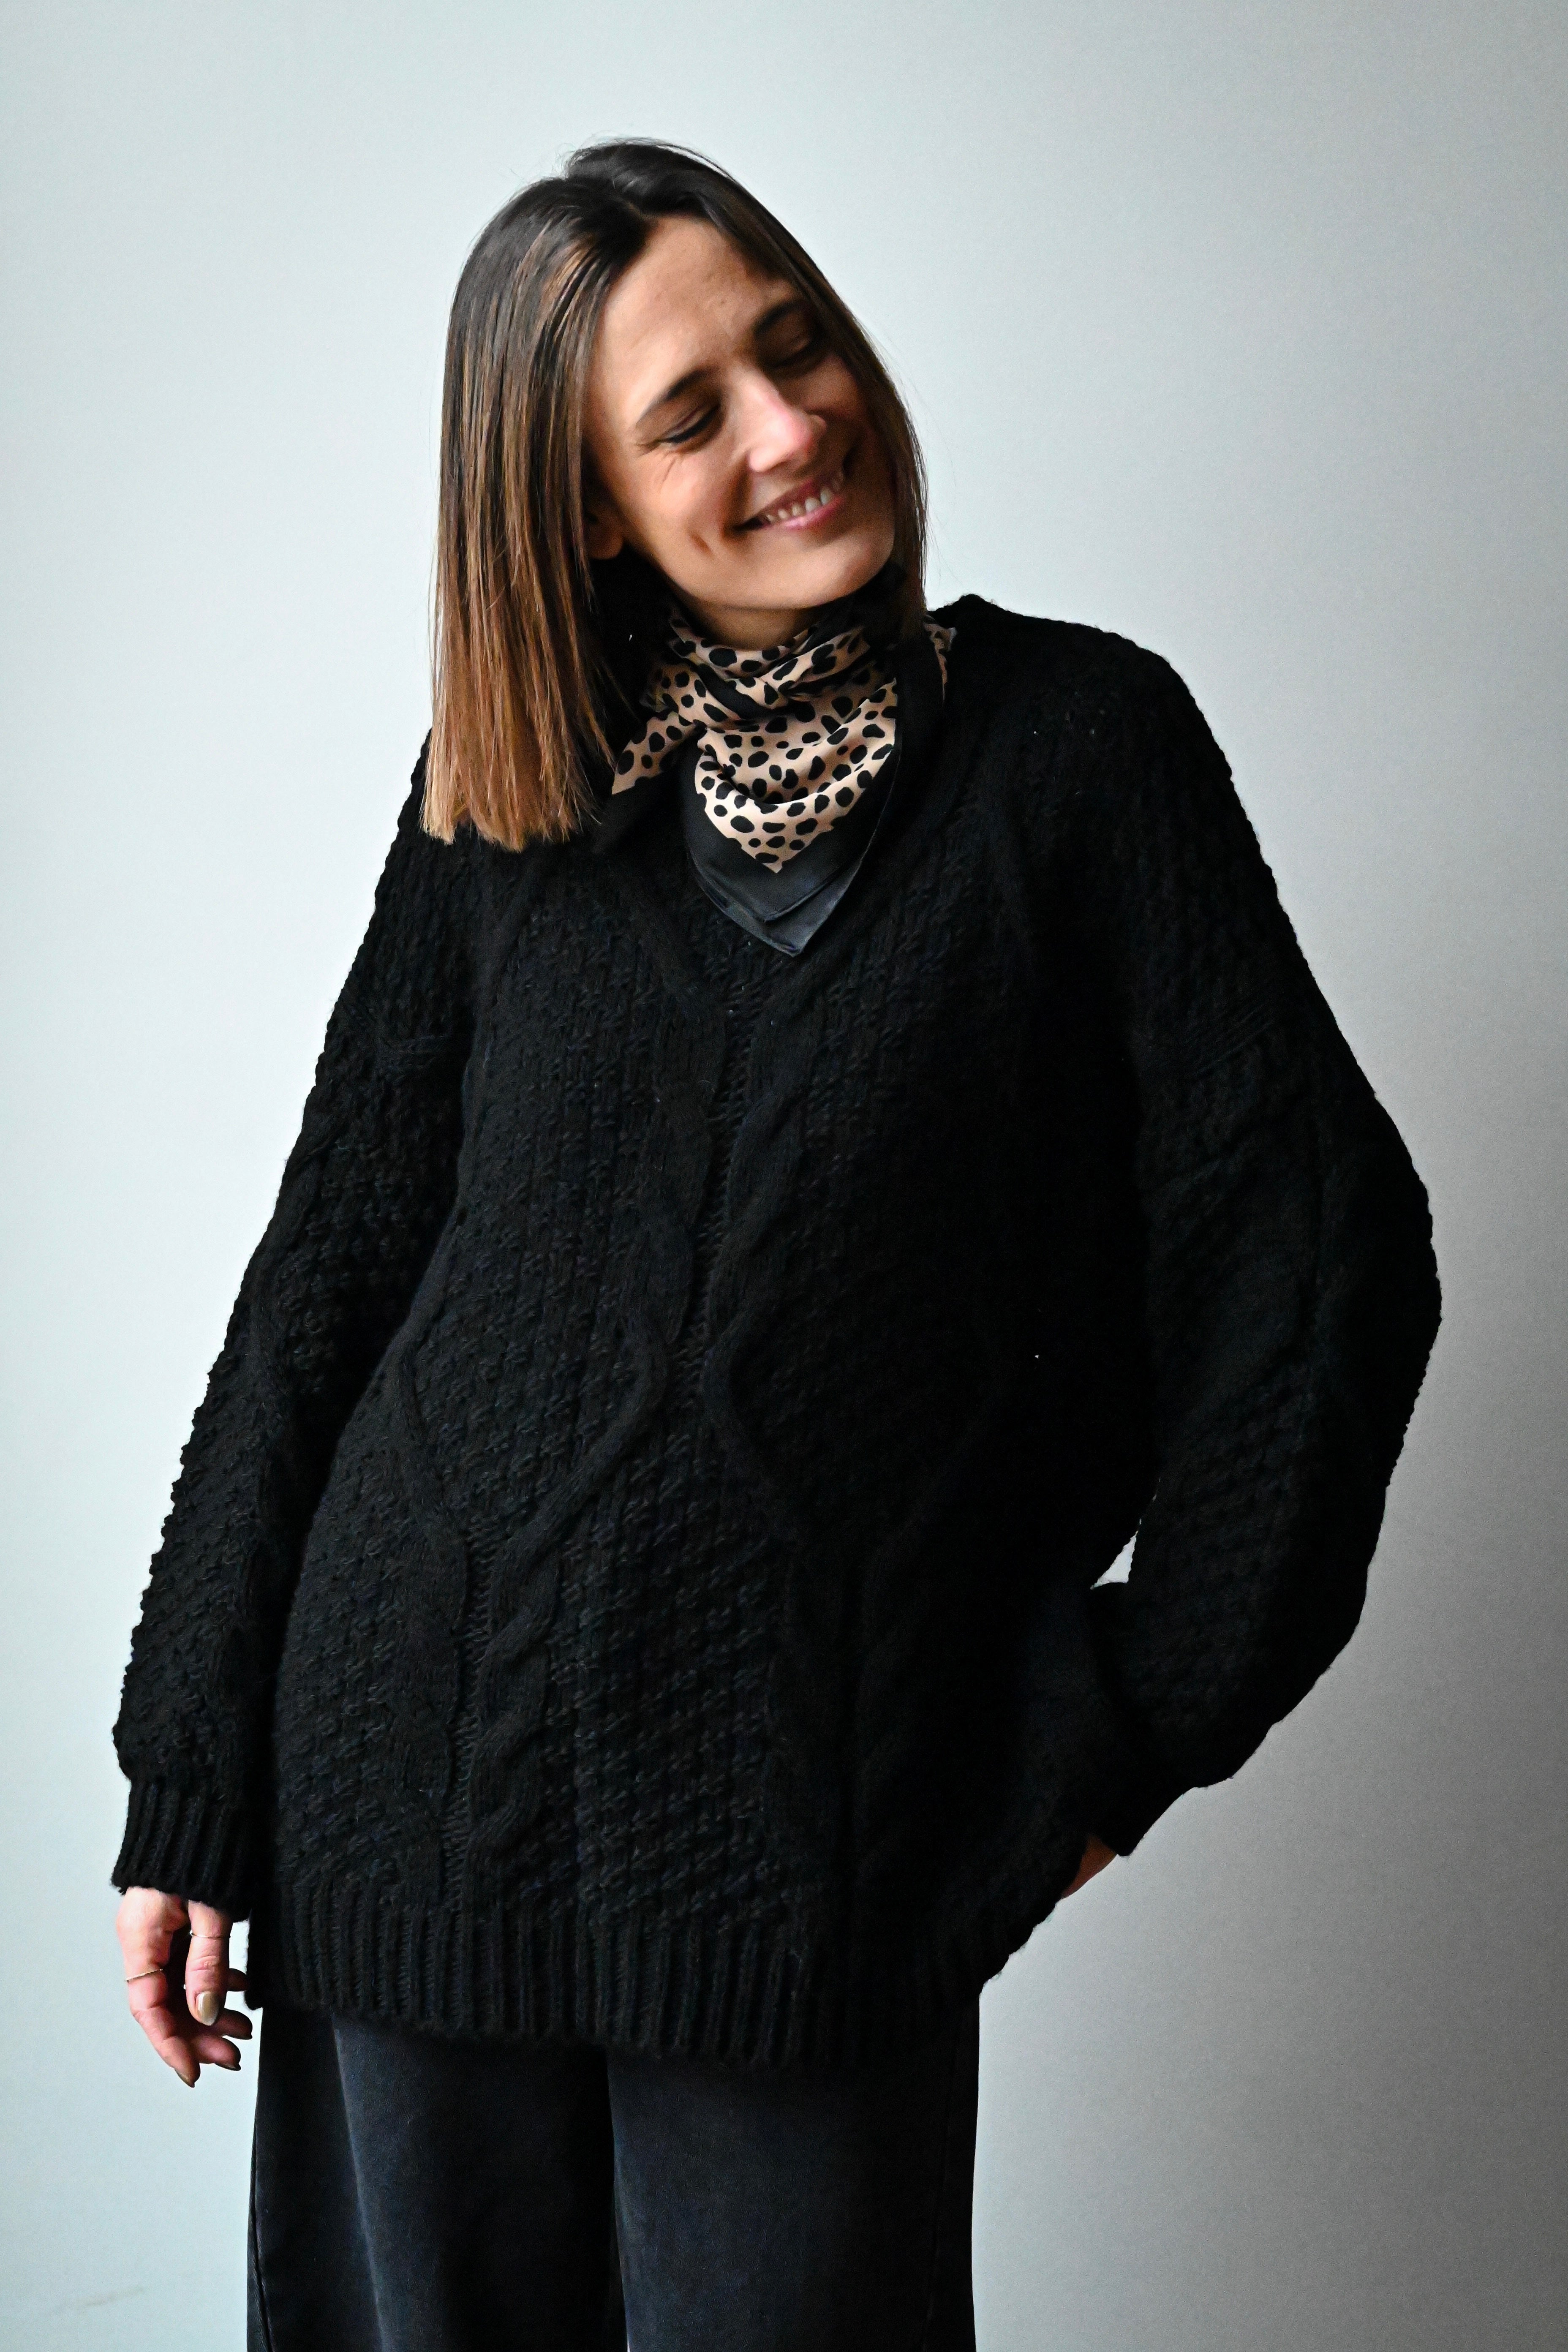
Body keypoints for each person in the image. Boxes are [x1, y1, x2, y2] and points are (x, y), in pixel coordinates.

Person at [111, 141, 1440, 2351]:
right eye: (690, 413)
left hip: (807, 1852)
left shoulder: (1078, 749)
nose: (792, 422)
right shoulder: (508, 786)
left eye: (793, 342)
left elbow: (1317, 1255)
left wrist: (1126, 1725)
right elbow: (331, 1272)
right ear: (582, 512)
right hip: (394, 1805)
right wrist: (191, 1769)